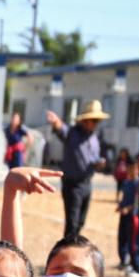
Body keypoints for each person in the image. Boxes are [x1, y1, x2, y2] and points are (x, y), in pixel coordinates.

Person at [45, 100, 109, 241]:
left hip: (87, 183)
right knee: (72, 223)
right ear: (85, 120)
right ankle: (67, 249)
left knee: (81, 222)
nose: (96, 123)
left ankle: (71, 244)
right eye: (94, 120)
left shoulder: (94, 138)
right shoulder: (73, 133)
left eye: (97, 121)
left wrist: (99, 164)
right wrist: (56, 122)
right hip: (72, 184)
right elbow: (62, 130)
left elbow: (94, 158)